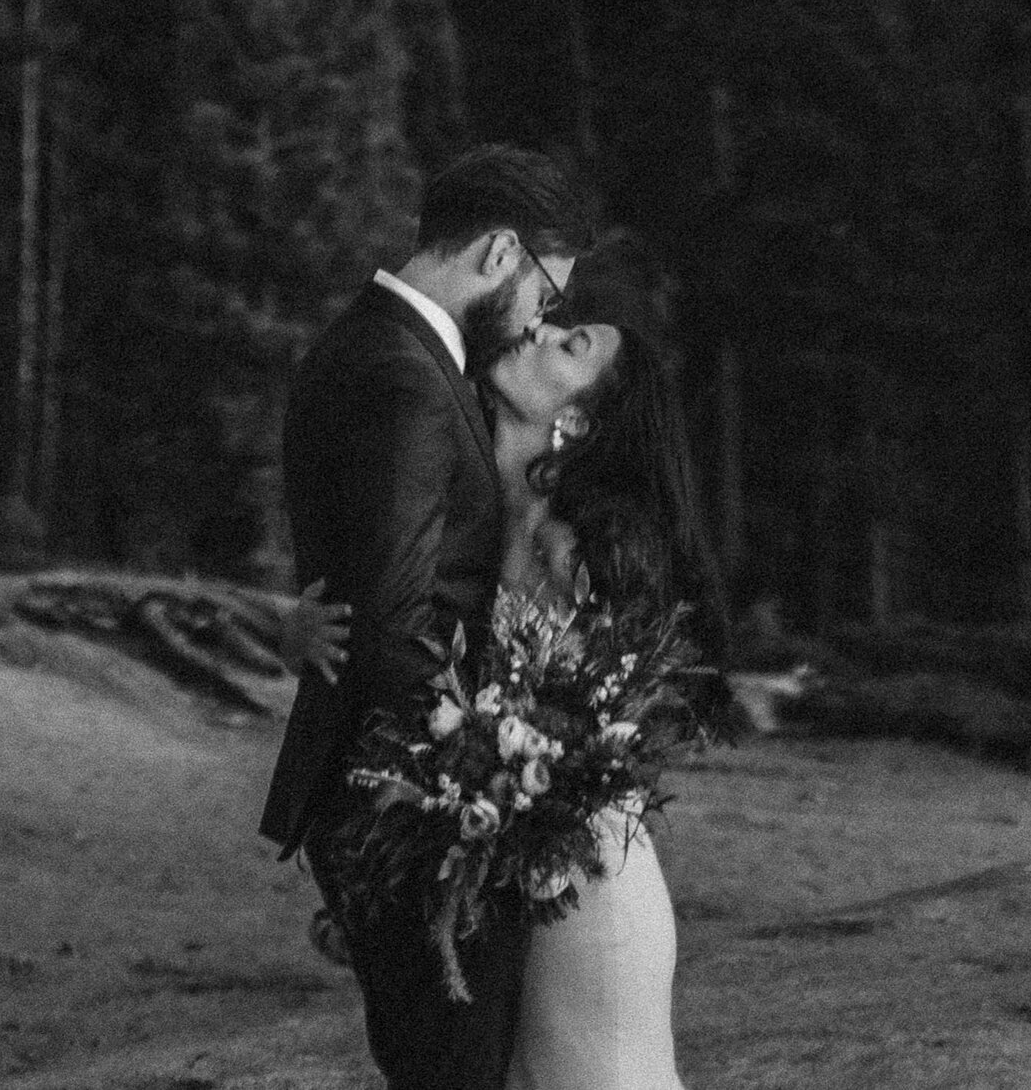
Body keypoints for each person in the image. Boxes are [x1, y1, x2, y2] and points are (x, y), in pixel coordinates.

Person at [288, 231, 734, 1090]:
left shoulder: (585, 548)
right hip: (519, 874)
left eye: (570, 344)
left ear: (577, 420)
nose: (535, 331)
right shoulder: (480, 504)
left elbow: (582, 723)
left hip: (583, 883)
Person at [261, 145, 592, 1090]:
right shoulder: (401, 374)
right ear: (500, 252)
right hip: (410, 798)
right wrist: (484, 789)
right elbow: (396, 616)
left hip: (398, 782)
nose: (539, 316)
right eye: (547, 290)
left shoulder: (377, 350)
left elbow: (371, 582)